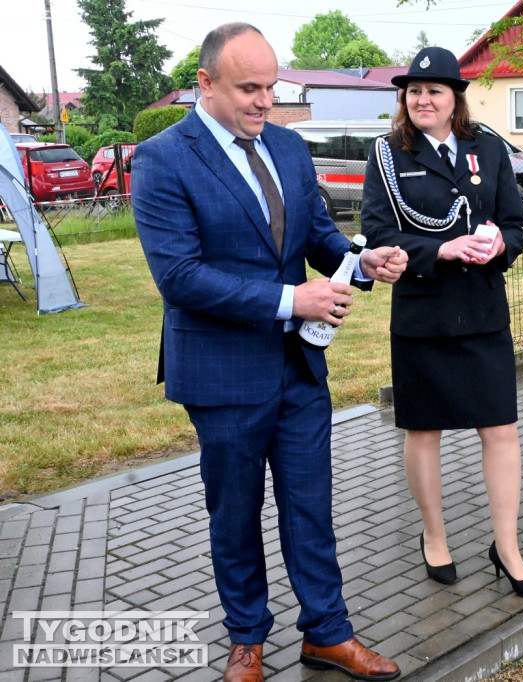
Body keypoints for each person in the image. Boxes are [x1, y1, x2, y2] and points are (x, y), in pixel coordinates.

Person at [132, 23, 408, 682]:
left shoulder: (285, 146)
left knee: (311, 505)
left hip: (297, 371)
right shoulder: (162, 159)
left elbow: (315, 235)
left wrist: (359, 261)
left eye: (271, 87)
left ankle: (327, 634)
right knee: (235, 514)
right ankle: (247, 641)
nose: (264, 101)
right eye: (249, 89)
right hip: (221, 373)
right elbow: (181, 277)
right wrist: (294, 302)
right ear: (205, 84)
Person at [360, 46, 523, 599]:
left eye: (434, 91)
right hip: (423, 311)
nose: (422, 99)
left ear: (453, 97)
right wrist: (440, 250)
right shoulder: (388, 154)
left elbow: (517, 224)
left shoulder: (487, 147)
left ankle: (506, 547)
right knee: (424, 429)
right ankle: (434, 536)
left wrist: (497, 246)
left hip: (483, 309)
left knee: (501, 430)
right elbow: (375, 232)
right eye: (413, 91)